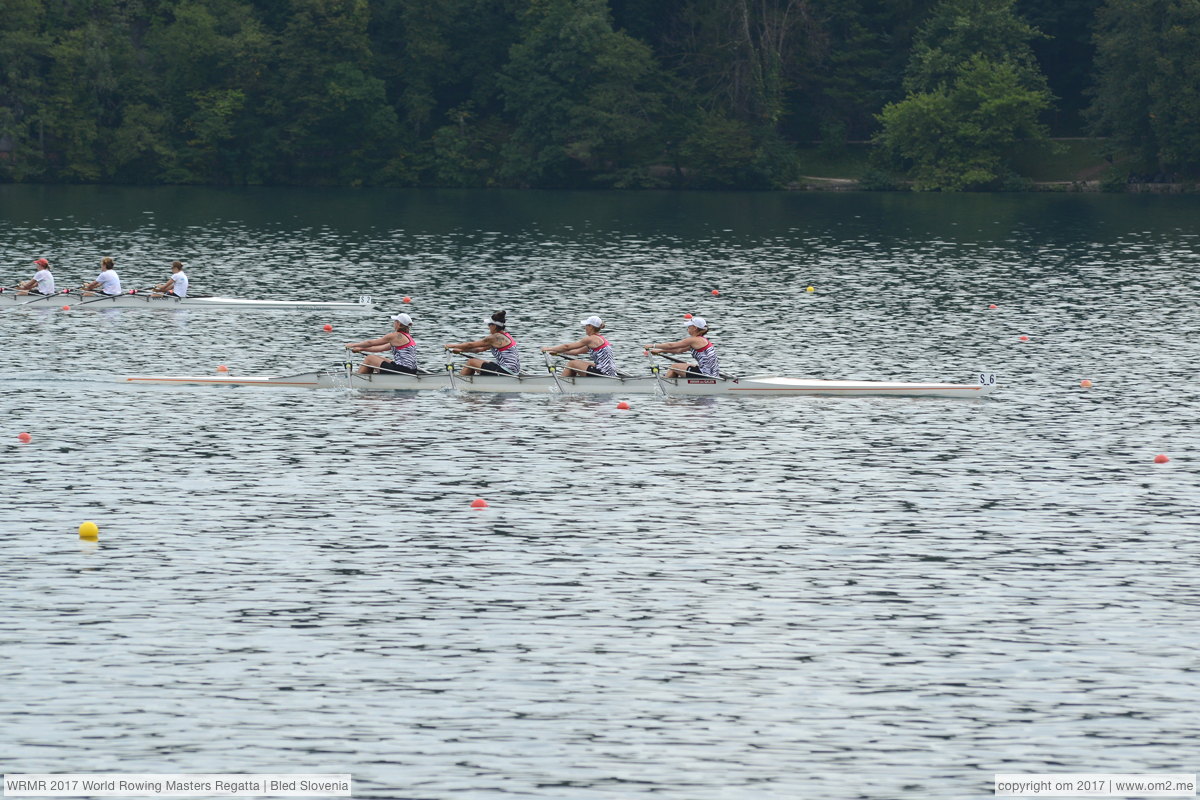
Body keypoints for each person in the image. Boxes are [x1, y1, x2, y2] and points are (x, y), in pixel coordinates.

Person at [445, 311, 521, 376]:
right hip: (513, 371)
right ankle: (470, 382)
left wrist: (452, 345)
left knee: (471, 362)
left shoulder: (494, 337)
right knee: (480, 362)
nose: (488, 327)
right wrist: (461, 350)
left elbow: (470, 345)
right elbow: (479, 349)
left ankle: (459, 383)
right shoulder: (506, 335)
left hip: (506, 371)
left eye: (489, 325)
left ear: (494, 326)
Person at [540, 315, 618, 377]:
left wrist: (548, 348)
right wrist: (558, 352)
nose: (585, 327)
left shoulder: (591, 339)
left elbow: (567, 346)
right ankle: (572, 382)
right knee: (586, 363)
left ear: (591, 326)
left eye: (586, 325)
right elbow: (575, 352)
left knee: (572, 363)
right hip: (610, 372)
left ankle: (561, 384)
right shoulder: (599, 339)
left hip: (603, 373)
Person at [344, 313, 419, 374]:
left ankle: (357, 380)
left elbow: (371, 343)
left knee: (369, 358)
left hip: (403, 371)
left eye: (395, 321)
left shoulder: (395, 336)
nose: (394, 323)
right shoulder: (407, 337)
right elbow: (379, 348)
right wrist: (361, 349)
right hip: (412, 370)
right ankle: (366, 376)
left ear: (398, 323)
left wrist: (352, 345)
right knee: (377, 358)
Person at [645, 317, 720, 378]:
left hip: (706, 375)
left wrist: (653, 345)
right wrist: (660, 351)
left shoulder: (694, 339)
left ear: (694, 328)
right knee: (689, 365)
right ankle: (674, 380)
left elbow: (672, 345)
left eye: (689, 326)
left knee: (673, 366)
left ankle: (666, 383)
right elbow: (679, 350)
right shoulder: (701, 340)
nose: (687, 328)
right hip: (712, 373)